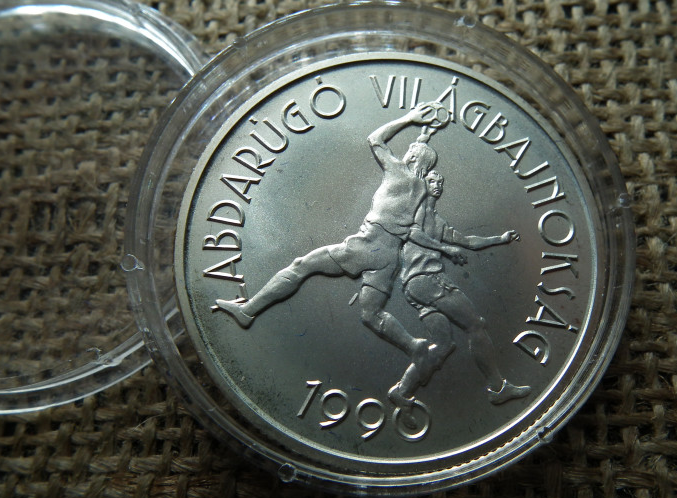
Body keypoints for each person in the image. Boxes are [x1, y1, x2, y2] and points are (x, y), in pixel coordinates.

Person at [214, 102, 465, 371]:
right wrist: (424, 135)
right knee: (371, 314)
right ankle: (414, 347)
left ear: (413, 158)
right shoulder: (422, 191)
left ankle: (248, 311)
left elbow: (375, 139)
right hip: (389, 258)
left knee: (301, 266)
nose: (405, 153)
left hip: (365, 246)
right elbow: (414, 229)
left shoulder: (397, 172)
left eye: (410, 152)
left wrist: (409, 118)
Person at [388, 170, 531, 416]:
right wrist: (445, 249)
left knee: (443, 344)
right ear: (421, 183)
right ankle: (498, 388)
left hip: (415, 287)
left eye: (440, 182)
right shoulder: (416, 211)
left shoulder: (437, 221)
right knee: (475, 324)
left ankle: (402, 391)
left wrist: (500, 239)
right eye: (432, 181)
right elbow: (412, 233)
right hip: (427, 280)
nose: (438, 185)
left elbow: (467, 241)